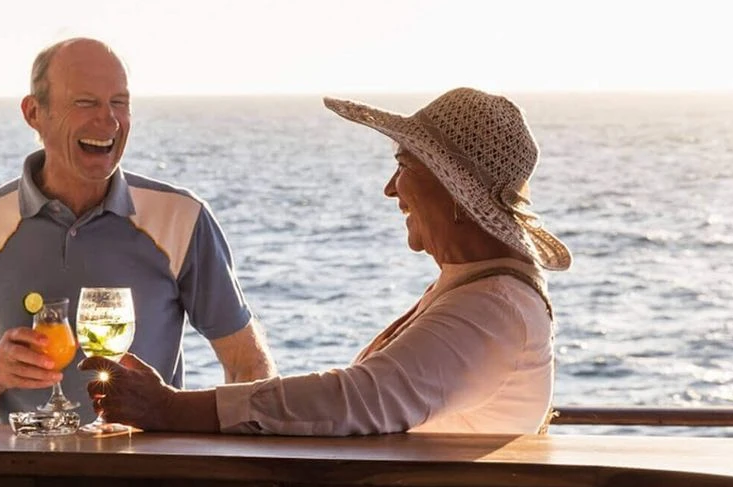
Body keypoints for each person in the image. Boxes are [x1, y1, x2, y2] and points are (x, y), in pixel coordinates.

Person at [85, 88, 569, 435]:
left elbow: (359, 399)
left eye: (404, 166)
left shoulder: (494, 307)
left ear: (454, 193)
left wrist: (171, 409)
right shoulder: (478, 290)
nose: (391, 189)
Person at [0, 38, 276, 425]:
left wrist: (210, 452)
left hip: (151, 465)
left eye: (119, 102)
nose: (109, 120)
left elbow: (249, 368)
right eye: (85, 103)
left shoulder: (182, 218)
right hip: (22, 464)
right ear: (34, 113)